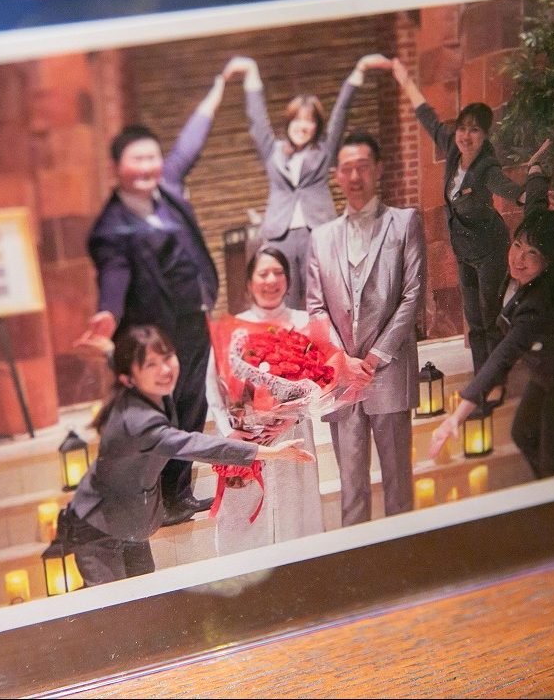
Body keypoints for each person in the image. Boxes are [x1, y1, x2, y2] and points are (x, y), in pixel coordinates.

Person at [75, 69, 233, 526]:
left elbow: (188, 146)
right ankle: (155, 502)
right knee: (162, 413)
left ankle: (179, 496)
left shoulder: (169, 189)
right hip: (154, 334)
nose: (146, 168)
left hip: (193, 320)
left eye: (152, 158)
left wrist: (217, 89)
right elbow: (115, 273)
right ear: (116, 169)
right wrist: (108, 314)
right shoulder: (112, 229)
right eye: (136, 161)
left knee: (192, 406)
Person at [65, 325, 315, 587]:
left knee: (144, 596)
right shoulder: (139, 422)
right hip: (98, 529)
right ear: (130, 377)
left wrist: (109, 352)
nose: (165, 369)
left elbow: (124, 367)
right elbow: (197, 445)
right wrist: (271, 452)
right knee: (116, 605)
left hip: (133, 518)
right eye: (151, 365)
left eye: (167, 358)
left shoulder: (151, 391)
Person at [428, 159, 554, 479]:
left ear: (549, 263)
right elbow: (536, 204)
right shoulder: (527, 252)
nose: (519, 259)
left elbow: (503, 356)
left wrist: (456, 417)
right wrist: (536, 170)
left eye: (532, 254)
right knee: (523, 433)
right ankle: (551, 488)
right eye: (517, 246)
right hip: (545, 366)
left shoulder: (539, 304)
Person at [305, 130, 427, 527]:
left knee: (398, 487)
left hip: (388, 371)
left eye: (362, 167)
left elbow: (412, 294)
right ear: (337, 176)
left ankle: (404, 555)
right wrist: (342, 361)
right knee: (351, 491)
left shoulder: (404, 223)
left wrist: (374, 357)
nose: (354, 176)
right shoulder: (321, 238)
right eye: (346, 169)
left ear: (378, 169)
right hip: (342, 381)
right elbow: (315, 307)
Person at [389, 57, 527, 374]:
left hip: (490, 250)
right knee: (474, 322)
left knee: (490, 318)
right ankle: (482, 379)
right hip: (464, 251)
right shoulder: (453, 150)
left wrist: (527, 195)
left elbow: (507, 188)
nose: (466, 135)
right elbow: (428, 118)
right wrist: (406, 82)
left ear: (485, 136)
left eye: (474, 130)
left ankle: (498, 377)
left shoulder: (486, 167)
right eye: (463, 128)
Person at [223, 53, 392, 309]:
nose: (302, 126)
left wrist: (359, 70)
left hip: (317, 233)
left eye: (309, 121)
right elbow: (257, 121)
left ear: (316, 126)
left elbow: (341, 114)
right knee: (284, 302)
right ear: (289, 122)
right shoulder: (272, 151)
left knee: (323, 298)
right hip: (279, 236)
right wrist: (251, 72)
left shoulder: (324, 151)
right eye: (297, 120)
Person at [205, 246, 325, 555]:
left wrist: (293, 416)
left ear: (288, 280)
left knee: (295, 515)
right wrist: (230, 433)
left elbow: (323, 382)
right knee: (246, 520)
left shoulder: (304, 322)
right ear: (249, 283)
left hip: (294, 436)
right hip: (246, 439)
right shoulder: (231, 329)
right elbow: (213, 389)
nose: (271, 280)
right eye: (263, 274)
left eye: (278, 273)